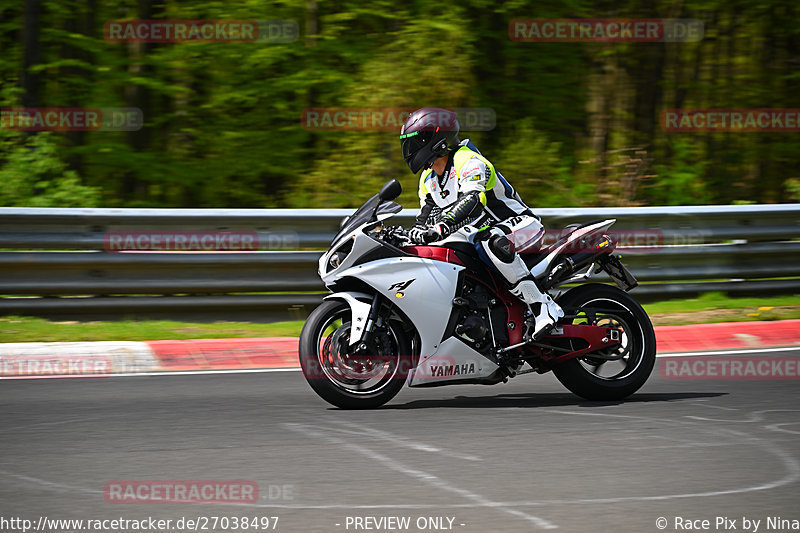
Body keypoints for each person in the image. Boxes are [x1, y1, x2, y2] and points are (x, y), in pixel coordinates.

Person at [400, 107, 563, 340]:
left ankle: (542, 306)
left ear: (436, 140)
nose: (410, 149)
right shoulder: (428, 180)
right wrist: (409, 235)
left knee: (488, 240)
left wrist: (442, 226)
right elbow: (426, 215)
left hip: (520, 226)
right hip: (479, 235)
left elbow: (473, 200)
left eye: (416, 141)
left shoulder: (468, 160)